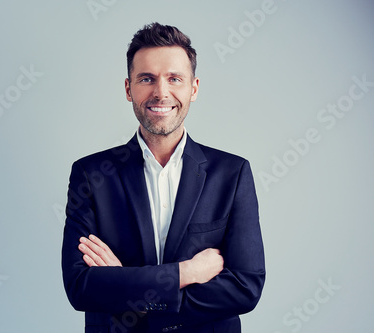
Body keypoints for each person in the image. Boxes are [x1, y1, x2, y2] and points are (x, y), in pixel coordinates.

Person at [62, 22, 265, 333]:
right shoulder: (91, 175)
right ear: (129, 88)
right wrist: (187, 272)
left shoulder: (232, 173)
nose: (161, 92)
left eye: (174, 79)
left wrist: (128, 290)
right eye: (147, 78)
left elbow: (246, 288)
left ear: (193, 88)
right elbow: (81, 286)